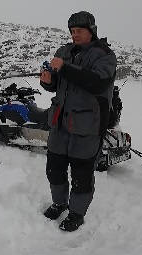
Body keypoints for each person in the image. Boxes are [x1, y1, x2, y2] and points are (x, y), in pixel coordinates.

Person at [39, 11, 117, 232]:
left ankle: (76, 213)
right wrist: (48, 81)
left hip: (87, 125)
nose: (74, 35)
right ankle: (59, 203)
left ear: (91, 30)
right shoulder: (64, 51)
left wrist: (65, 68)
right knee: (54, 169)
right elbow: (56, 85)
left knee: (82, 175)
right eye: (72, 31)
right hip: (60, 123)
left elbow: (96, 82)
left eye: (79, 31)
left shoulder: (104, 55)